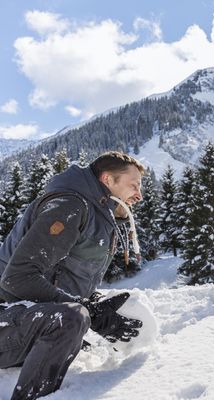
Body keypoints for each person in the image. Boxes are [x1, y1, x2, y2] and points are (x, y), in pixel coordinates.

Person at [0, 151, 145, 400]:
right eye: (134, 185)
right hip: (6, 319)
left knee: (81, 315)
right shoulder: (70, 205)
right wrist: (85, 310)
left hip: (22, 319)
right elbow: (17, 277)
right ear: (108, 180)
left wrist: (97, 307)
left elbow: (62, 280)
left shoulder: (95, 212)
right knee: (69, 319)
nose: (139, 195)